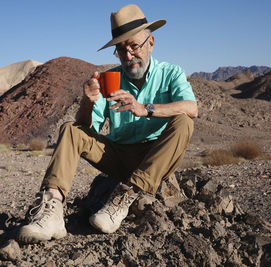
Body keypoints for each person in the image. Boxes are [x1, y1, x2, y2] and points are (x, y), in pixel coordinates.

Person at [18, 4, 198, 243]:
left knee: (184, 122)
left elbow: (191, 108)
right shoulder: (109, 79)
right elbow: (85, 128)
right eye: (121, 50)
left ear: (151, 43)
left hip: (155, 157)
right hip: (118, 157)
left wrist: (144, 109)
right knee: (71, 129)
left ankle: (125, 197)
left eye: (134, 46)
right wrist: (88, 102)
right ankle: (52, 209)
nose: (128, 56)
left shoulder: (171, 73)